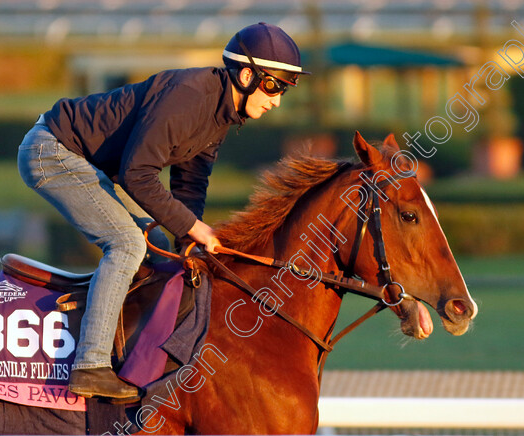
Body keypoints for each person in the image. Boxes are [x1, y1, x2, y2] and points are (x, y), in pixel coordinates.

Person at [17, 22, 307, 399]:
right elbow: (139, 174)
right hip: (52, 152)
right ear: (247, 74)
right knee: (126, 245)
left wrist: (188, 240)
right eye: (273, 86)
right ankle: (90, 365)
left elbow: (190, 185)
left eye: (284, 89)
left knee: (154, 246)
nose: (276, 100)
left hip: (87, 164)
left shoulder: (221, 113)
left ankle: (128, 349)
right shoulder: (190, 96)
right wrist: (195, 227)